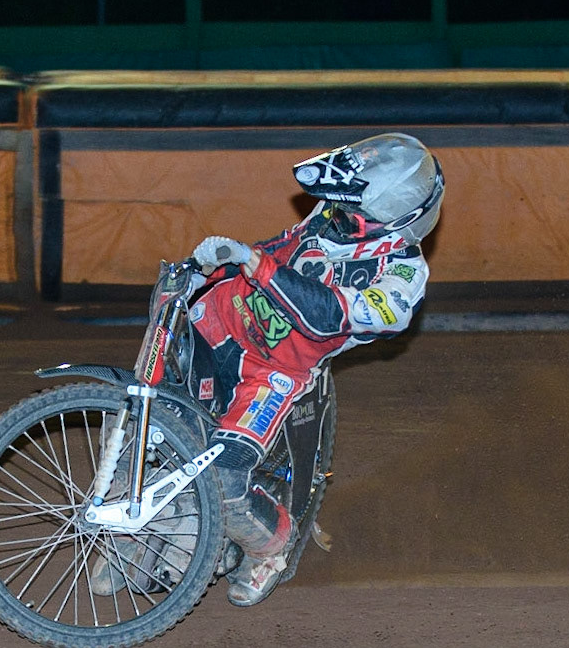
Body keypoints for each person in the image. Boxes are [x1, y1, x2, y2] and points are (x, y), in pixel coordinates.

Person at [188, 132, 442, 604]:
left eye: (354, 208)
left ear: (393, 217)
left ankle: (273, 548)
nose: (337, 213)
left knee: (222, 480)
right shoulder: (334, 213)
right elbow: (284, 248)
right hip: (217, 319)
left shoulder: (401, 283)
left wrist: (253, 262)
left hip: (272, 374)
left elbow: (325, 317)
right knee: (142, 408)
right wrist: (213, 267)